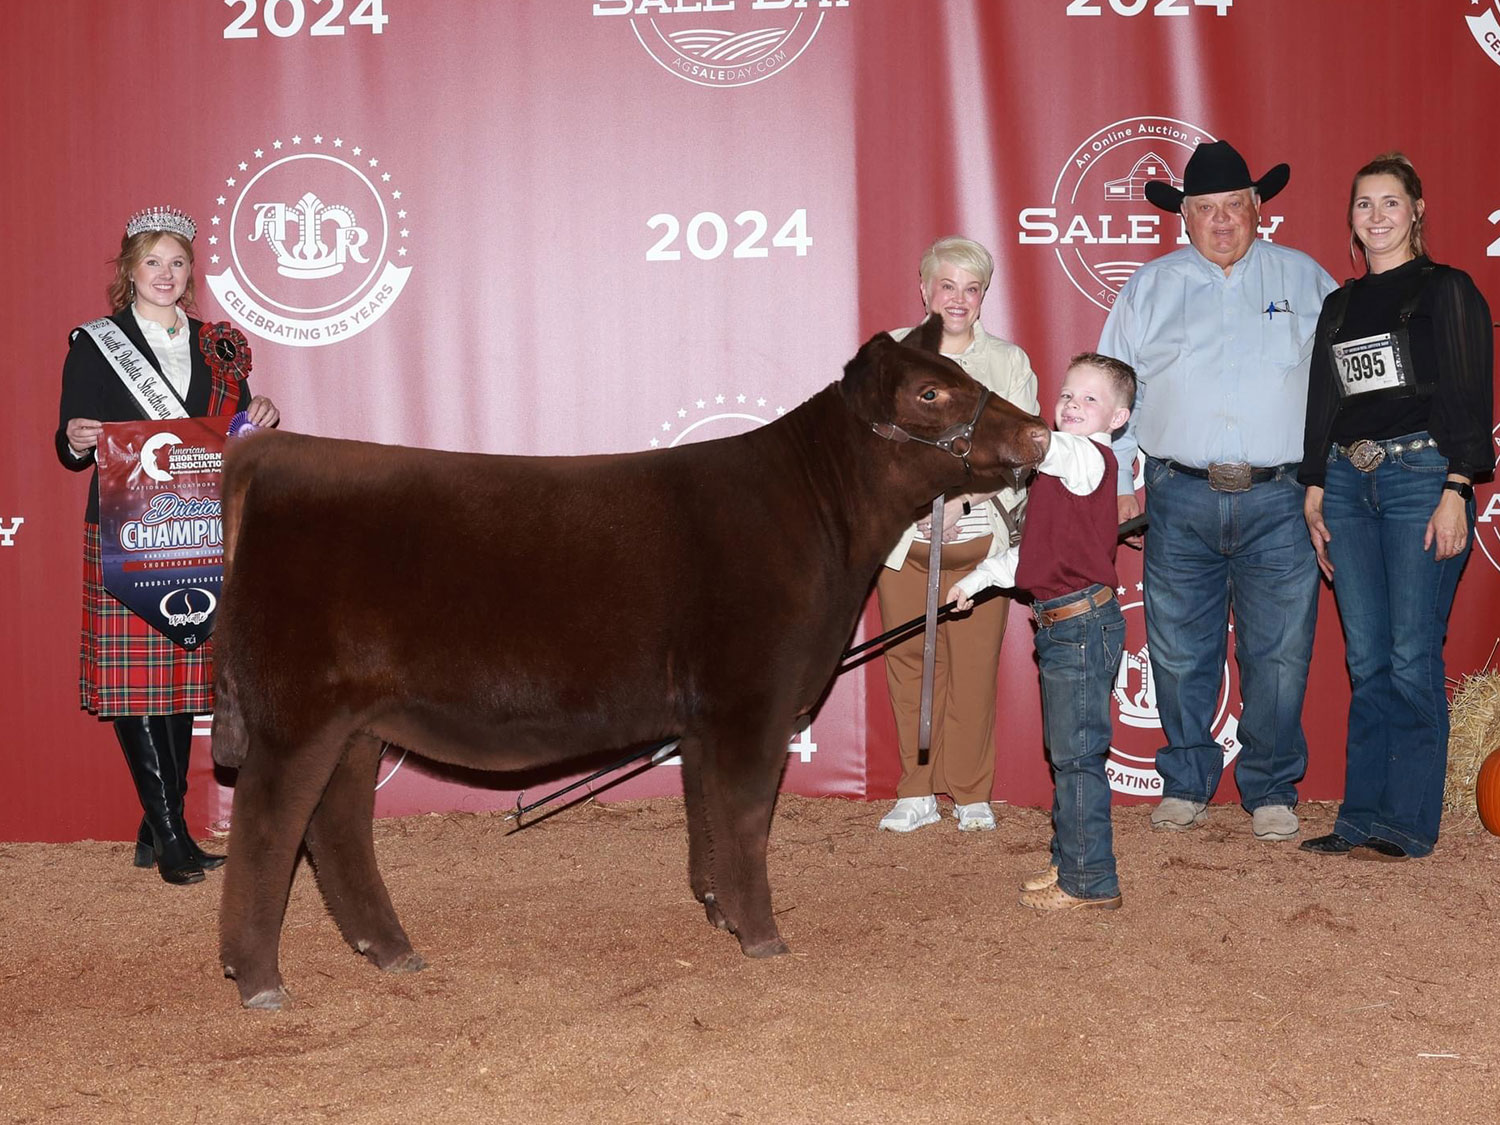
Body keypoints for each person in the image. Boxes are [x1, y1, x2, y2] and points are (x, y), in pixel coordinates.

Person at [1098, 140, 1337, 841]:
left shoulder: (1308, 281)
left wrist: (1332, 480)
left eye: (1235, 205)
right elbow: (1111, 394)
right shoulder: (1148, 289)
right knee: (1175, 649)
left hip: (1281, 496)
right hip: (1178, 494)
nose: (1222, 220)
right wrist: (1119, 478)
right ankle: (1185, 780)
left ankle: (1270, 785)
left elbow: (1343, 388)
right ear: (1185, 218)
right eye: (1206, 208)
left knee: (1282, 650)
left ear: (1259, 209)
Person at [56, 206, 279, 885]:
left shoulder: (220, 343)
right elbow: (68, 443)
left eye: (177, 261)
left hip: (196, 523)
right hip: (127, 525)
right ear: (130, 270)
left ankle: (159, 826)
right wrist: (76, 438)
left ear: (189, 273)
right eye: (152, 261)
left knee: (181, 678)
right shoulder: (96, 344)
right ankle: (172, 831)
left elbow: (229, 432)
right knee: (136, 685)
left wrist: (258, 416)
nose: (165, 273)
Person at [1299, 153, 1494, 862]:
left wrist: (1456, 487)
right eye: (1363, 205)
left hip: (1422, 479)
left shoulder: (1449, 290)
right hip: (1348, 489)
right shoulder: (1339, 305)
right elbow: (1326, 402)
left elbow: (1471, 393)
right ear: (1350, 219)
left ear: (1417, 210)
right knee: (1367, 658)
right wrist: (1315, 484)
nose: (1376, 216)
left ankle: (1408, 824)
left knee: (1412, 657)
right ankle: (1360, 818)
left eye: (1389, 202)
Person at [950, 353, 1135, 910]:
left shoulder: (1086, 459)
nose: (1074, 406)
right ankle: (1069, 863)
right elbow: (1032, 555)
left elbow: (1047, 445)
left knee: (1077, 757)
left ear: (1118, 420)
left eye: (1091, 399)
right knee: (1069, 753)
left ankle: (1091, 882)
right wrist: (976, 581)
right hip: (1063, 624)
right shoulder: (1056, 473)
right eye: (1068, 395)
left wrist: (980, 412)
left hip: (1079, 625)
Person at [876, 236, 1040, 833]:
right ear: (925, 289)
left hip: (980, 542)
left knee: (973, 669)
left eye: (972, 288)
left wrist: (961, 499)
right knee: (909, 665)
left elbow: (1022, 455)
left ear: (984, 295)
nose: (959, 299)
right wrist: (915, 500)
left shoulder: (1008, 362)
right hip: (904, 542)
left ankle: (971, 792)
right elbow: (866, 448)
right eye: (947, 286)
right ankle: (916, 791)